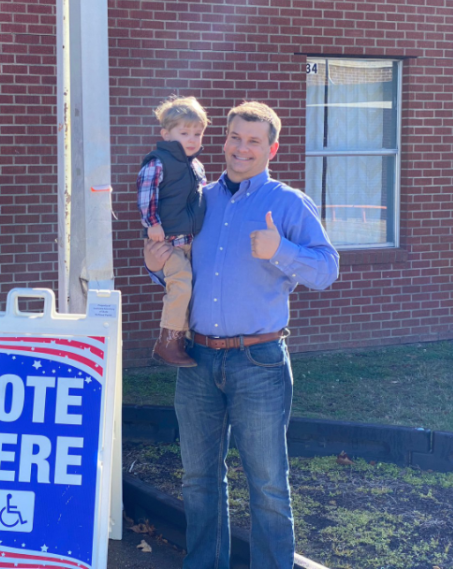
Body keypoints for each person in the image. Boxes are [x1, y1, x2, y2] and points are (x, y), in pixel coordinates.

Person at [145, 102, 339, 568]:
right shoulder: (200, 197)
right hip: (196, 358)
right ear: (224, 139)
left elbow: (327, 269)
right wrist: (156, 267)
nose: (241, 148)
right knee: (199, 479)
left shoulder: (287, 203)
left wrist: (282, 249)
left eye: (253, 141)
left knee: (268, 483)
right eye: (235, 137)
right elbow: (179, 268)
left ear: (271, 148)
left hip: (260, 361)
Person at [137, 96, 208, 367]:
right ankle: (167, 342)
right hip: (166, 241)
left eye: (197, 133)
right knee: (179, 286)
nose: (192, 139)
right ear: (166, 134)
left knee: (191, 287)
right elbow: (146, 193)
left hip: (189, 241)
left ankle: (186, 337)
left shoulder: (196, 166)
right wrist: (151, 222)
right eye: (184, 133)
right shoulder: (158, 162)